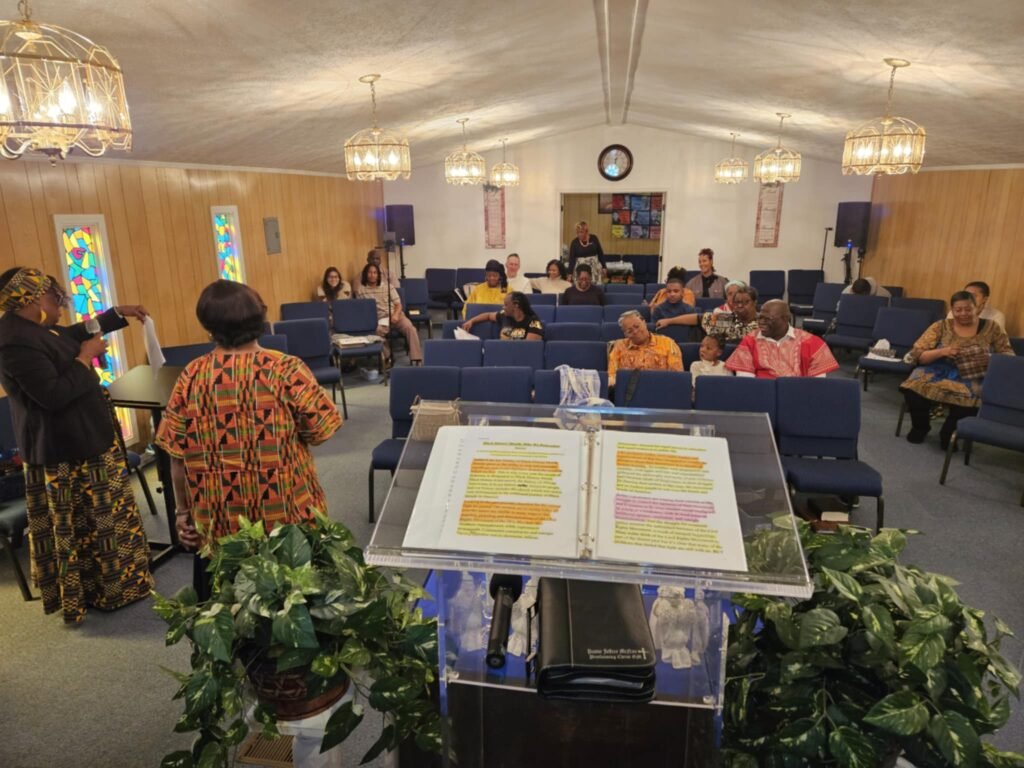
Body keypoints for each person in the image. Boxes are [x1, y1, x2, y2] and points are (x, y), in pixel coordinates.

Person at [155, 280, 342, 599]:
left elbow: (177, 458)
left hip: (220, 526)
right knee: (290, 614)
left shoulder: (191, 375)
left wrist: (182, 513)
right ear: (259, 318)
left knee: (226, 613)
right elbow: (321, 430)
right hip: (285, 521)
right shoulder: (286, 369)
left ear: (208, 326)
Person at [0, 267, 152, 623]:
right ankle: (102, 591)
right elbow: (52, 395)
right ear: (32, 299)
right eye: (54, 298)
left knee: (106, 524)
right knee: (91, 529)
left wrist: (116, 314)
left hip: (85, 441)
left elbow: (69, 334)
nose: (60, 306)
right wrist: (85, 359)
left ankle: (121, 585)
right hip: (67, 451)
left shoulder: (33, 328)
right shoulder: (13, 342)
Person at [901, 290, 1014, 448]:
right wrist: (943, 351)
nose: (963, 314)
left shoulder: (992, 327)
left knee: (972, 397)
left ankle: (949, 433)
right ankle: (921, 427)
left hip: (972, 374)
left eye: (968, 309)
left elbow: (1008, 355)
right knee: (913, 388)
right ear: (952, 310)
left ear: (976, 308)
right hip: (938, 369)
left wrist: (991, 358)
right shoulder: (941, 326)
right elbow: (918, 354)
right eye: (958, 310)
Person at [726, 299, 840, 379]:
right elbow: (747, 383)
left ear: (785, 319)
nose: (761, 323)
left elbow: (817, 386)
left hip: (799, 396)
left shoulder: (813, 343)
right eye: (760, 318)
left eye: (767, 319)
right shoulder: (750, 341)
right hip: (761, 395)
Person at [356, 263, 422, 365]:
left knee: (411, 329)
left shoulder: (388, 287)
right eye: (370, 272)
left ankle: (416, 358)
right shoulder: (361, 290)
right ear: (365, 274)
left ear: (378, 275)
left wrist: (395, 315)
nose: (372, 275)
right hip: (378, 319)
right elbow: (362, 310)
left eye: (375, 273)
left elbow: (398, 304)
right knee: (376, 333)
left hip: (395, 315)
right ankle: (387, 357)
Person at [607, 309, 683, 388]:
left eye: (637, 326)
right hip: (629, 391)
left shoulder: (668, 343)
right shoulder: (619, 346)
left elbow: (677, 376)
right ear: (625, 334)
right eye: (630, 331)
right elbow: (612, 375)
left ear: (644, 322)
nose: (635, 332)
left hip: (661, 389)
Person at [462, 291, 544, 340]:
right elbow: (488, 315)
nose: (503, 307)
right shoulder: (504, 315)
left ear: (516, 305)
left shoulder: (534, 322)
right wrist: (471, 321)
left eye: (506, 305)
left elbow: (529, 348)